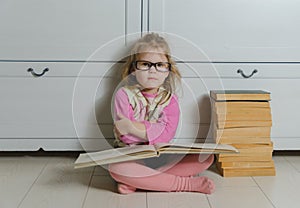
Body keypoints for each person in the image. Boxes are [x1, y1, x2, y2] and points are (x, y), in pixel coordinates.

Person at [109, 33, 215, 194]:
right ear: (134, 69)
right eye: (145, 64)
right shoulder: (123, 95)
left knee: (206, 157)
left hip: (161, 157)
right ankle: (184, 184)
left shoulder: (169, 100)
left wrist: (131, 126)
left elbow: (165, 136)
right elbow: (125, 136)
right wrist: (150, 130)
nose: (152, 71)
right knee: (116, 168)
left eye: (160, 65)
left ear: (168, 71)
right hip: (132, 156)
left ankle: (143, 181)